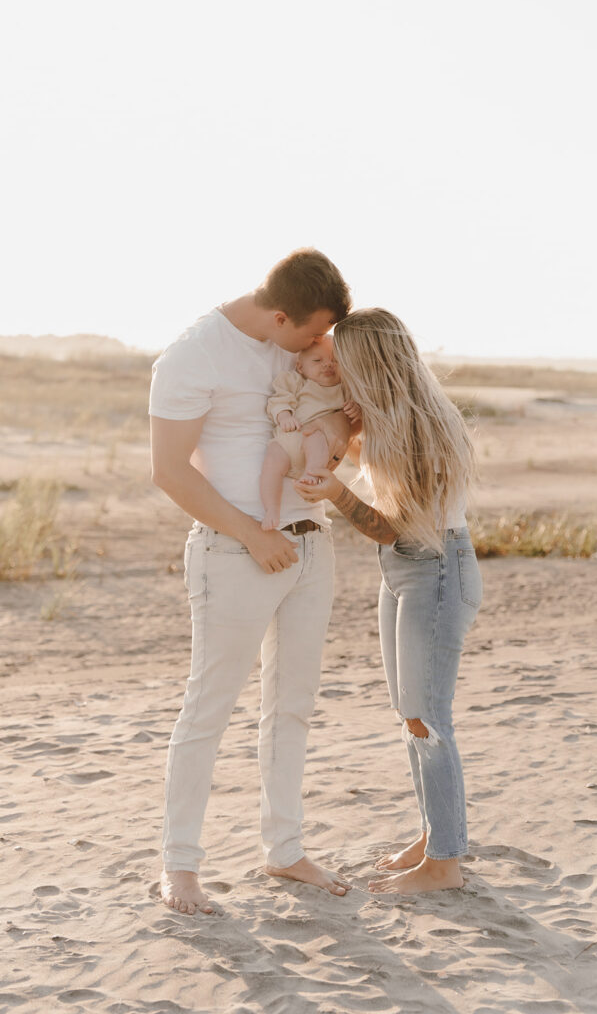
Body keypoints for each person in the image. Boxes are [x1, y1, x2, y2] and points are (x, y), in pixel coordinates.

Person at [149, 248, 354, 915]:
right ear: (278, 313)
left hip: (311, 547)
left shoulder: (294, 347)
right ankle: (180, 869)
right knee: (208, 709)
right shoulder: (193, 356)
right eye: (312, 331)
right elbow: (171, 471)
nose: (319, 345)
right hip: (235, 553)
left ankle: (285, 850)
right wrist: (251, 533)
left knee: (291, 707)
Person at [295, 307, 482, 894]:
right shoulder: (388, 418)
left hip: (434, 568)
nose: (336, 370)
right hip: (405, 569)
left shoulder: (421, 428)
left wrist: (337, 493)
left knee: (429, 716)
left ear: (369, 363)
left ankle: (446, 864)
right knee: (411, 713)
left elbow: (390, 526)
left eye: (344, 361)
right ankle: (434, 836)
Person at [260, 336, 353, 530]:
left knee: (316, 438)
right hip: (286, 441)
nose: (328, 365)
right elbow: (278, 400)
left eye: (334, 361)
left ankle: (311, 474)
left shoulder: (343, 389)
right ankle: (271, 509)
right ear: (300, 367)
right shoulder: (295, 381)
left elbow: (353, 415)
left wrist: (356, 409)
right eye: (317, 361)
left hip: (314, 442)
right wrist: (284, 416)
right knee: (271, 463)